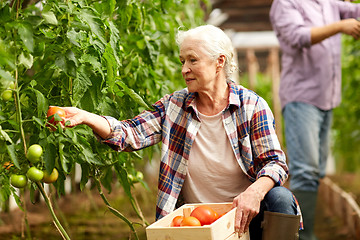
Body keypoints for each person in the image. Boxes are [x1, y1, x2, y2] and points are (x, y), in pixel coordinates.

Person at [58, 25, 301, 239]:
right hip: (194, 220)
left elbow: (275, 163)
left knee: (280, 198)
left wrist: (253, 193)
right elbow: (129, 134)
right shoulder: (174, 107)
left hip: (246, 217)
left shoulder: (251, 106)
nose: (184, 69)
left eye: (192, 60)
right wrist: (88, 117)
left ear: (220, 61)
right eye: (182, 61)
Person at [269, 1, 360, 240]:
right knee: (305, 171)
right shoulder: (286, 4)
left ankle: (304, 228)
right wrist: (340, 26)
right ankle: (304, 235)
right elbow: (298, 36)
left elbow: (354, 11)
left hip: (326, 98)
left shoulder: (327, 2)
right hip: (302, 97)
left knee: (316, 170)